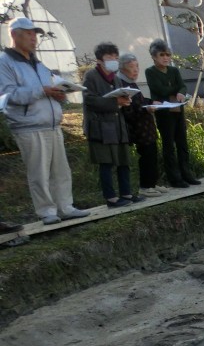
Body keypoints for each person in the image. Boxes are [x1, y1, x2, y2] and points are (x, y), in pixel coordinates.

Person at [0, 16, 90, 225]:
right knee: (39, 173)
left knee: (61, 170)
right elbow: (7, 96)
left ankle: (65, 207)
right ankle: (47, 211)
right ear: (15, 35)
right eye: (29, 34)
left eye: (35, 34)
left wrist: (59, 94)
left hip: (51, 123)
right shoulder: (5, 63)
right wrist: (41, 91)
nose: (34, 38)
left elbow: (49, 87)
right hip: (28, 126)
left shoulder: (38, 63)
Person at [83, 42, 142, 208]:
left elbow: (119, 100)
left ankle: (126, 193)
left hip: (117, 124)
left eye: (116, 57)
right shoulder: (91, 76)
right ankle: (111, 197)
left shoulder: (116, 78)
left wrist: (125, 100)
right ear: (100, 60)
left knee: (123, 160)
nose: (114, 60)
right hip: (100, 126)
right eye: (110, 57)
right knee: (106, 162)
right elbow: (90, 100)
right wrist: (114, 101)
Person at [145, 39, 199, 187]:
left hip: (177, 108)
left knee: (182, 143)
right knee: (168, 145)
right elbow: (159, 90)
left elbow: (182, 86)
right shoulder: (150, 71)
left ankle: (187, 174)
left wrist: (180, 91)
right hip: (163, 112)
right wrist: (176, 90)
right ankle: (174, 178)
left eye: (168, 54)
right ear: (154, 56)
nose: (166, 58)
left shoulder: (174, 70)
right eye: (162, 55)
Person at [116, 53, 165, 195]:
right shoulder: (122, 83)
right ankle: (145, 187)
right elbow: (129, 107)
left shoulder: (131, 82)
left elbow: (140, 100)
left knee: (152, 153)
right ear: (123, 69)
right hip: (137, 127)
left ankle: (153, 184)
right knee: (146, 155)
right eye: (132, 67)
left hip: (146, 126)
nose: (136, 70)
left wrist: (151, 102)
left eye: (137, 66)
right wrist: (147, 108)